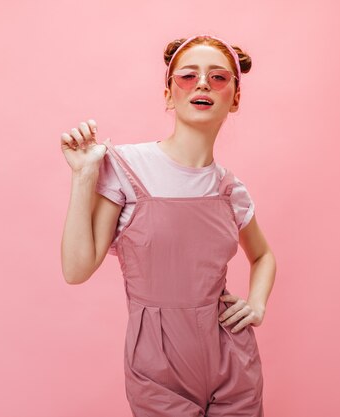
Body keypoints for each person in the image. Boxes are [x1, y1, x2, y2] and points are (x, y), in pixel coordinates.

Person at [60, 34, 276, 417]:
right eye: (188, 76)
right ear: (168, 94)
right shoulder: (124, 167)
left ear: (235, 98)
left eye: (219, 78)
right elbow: (77, 269)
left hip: (232, 358)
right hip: (156, 363)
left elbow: (263, 256)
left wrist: (256, 304)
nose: (203, 84)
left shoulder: (230, 190)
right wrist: (83, 175)